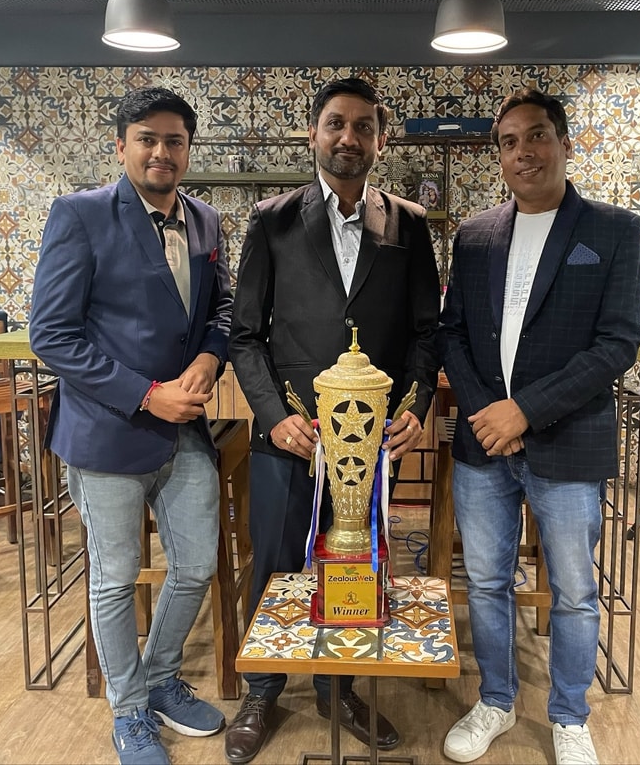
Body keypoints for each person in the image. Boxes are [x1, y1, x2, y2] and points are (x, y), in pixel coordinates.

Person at [226, 77, 440, 764]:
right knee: (278, 560)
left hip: (373, 441)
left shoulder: (408, 223)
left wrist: (416, 408)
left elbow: (426, 332)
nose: (349, 138)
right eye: (335, 125)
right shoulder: (273, 219)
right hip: (292, 435)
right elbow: (244, 334)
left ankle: (337, 684)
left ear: (381, 139)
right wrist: (270, 416)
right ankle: (261, 689)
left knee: (359, 559)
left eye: (363, 127)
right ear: (313, 133)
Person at [437, 88, 640, 765]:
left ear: (563, 142)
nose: (522, 152)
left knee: (576, 591)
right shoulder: (475, 234)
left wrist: (524, 411)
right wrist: (487, 416)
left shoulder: (614, 230)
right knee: (488, 582)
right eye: (508, 141)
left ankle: (568, 717)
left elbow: (616, 344)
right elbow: (453, 335)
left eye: (536, 136)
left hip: (567, 440)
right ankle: (496, 701)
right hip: (482, 445)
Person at [30, 87, 232, 765]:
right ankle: (130, 714)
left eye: (175, 141)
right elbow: (51, 335)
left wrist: (209, 354)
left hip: (185, 438)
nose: (161, 151)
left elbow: (222, 309)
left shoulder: (206, 221)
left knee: (197, 563)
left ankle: (159, 677)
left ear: (188, 151)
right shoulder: (79, 215)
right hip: (105, 432)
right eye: (147, 138)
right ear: (121, 145)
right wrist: (147, 396)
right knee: (116, 578)